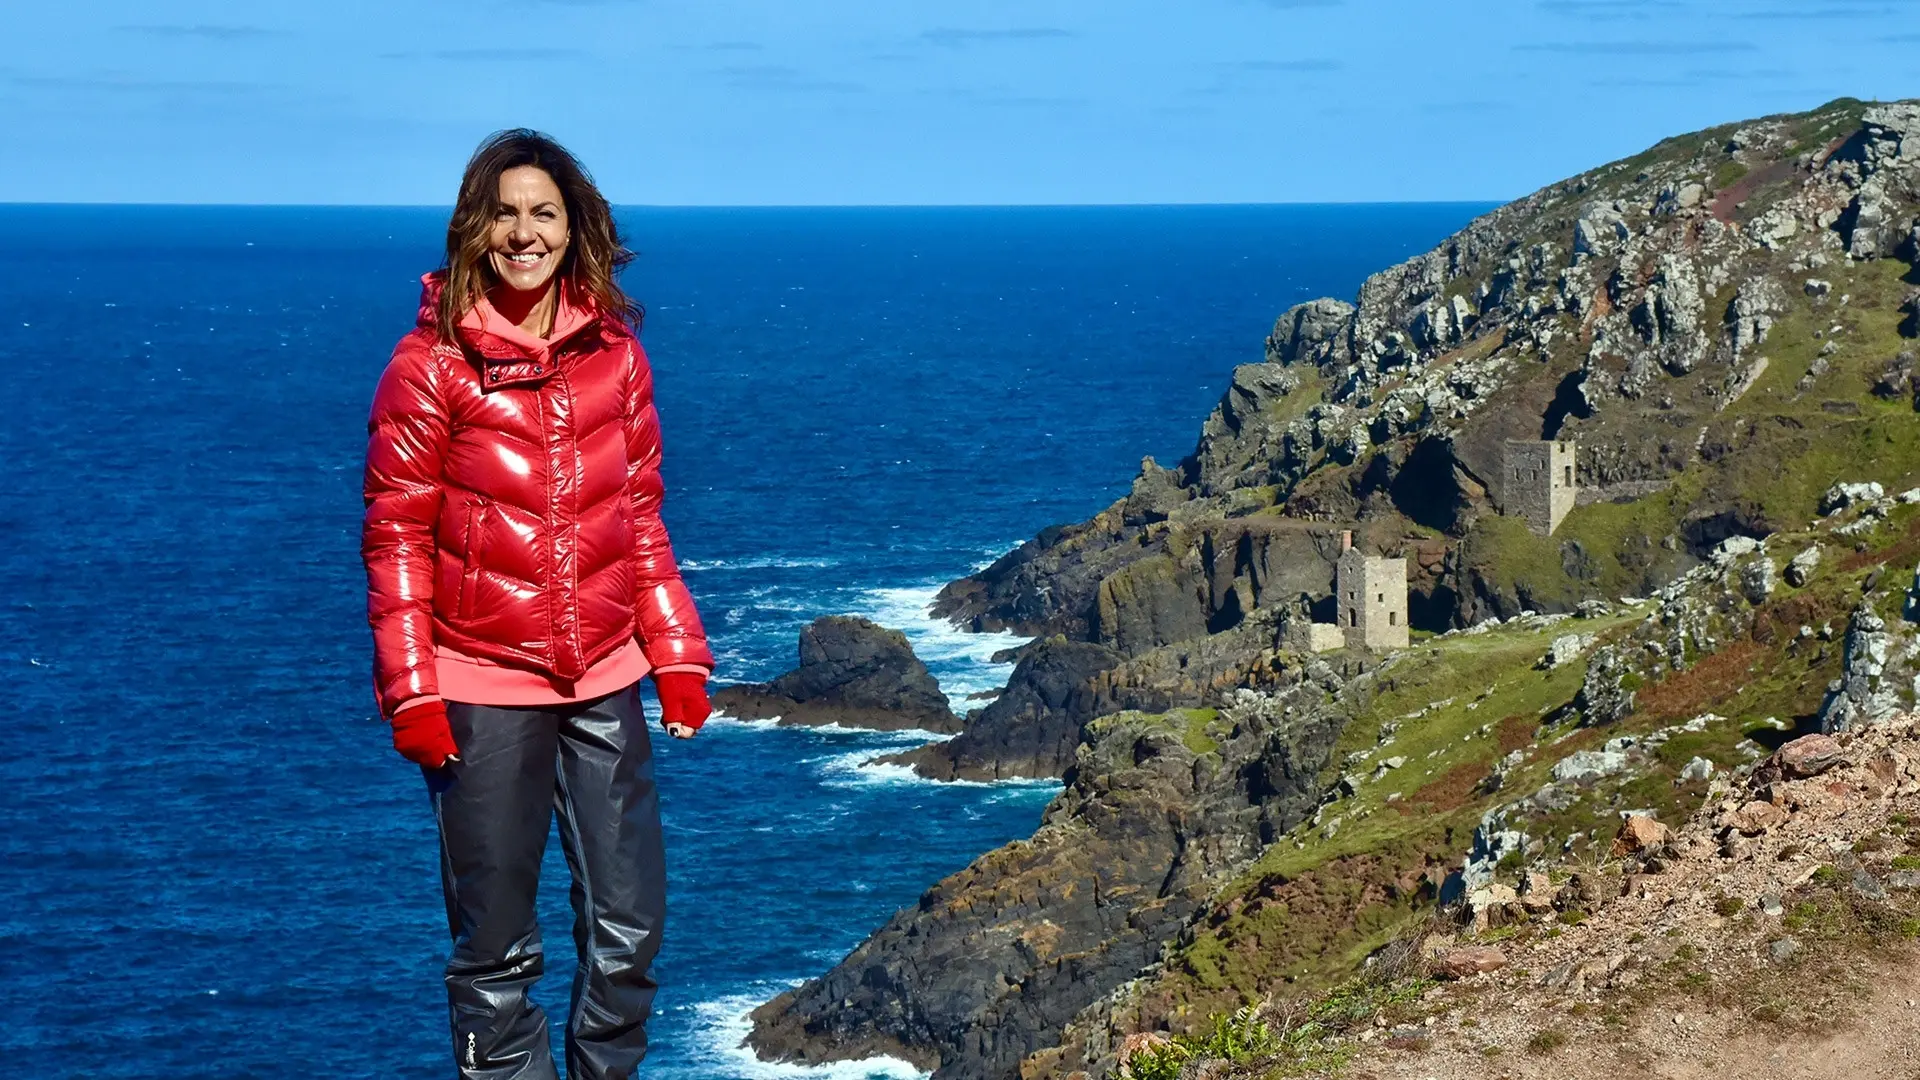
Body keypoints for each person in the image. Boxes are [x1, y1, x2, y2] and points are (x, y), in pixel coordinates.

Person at [360, 128, 713, 1080]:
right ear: (474, 229)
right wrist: (413, 694)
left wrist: (677, 653)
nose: (525, 233)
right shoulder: (426, 368)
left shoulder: (617, 356)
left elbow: (638, 515)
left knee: (629, 931)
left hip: (604, 676)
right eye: (505, 213)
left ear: (576, 227)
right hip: (479, 686)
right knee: (497, 949)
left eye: (544, 213)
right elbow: (395, 539)